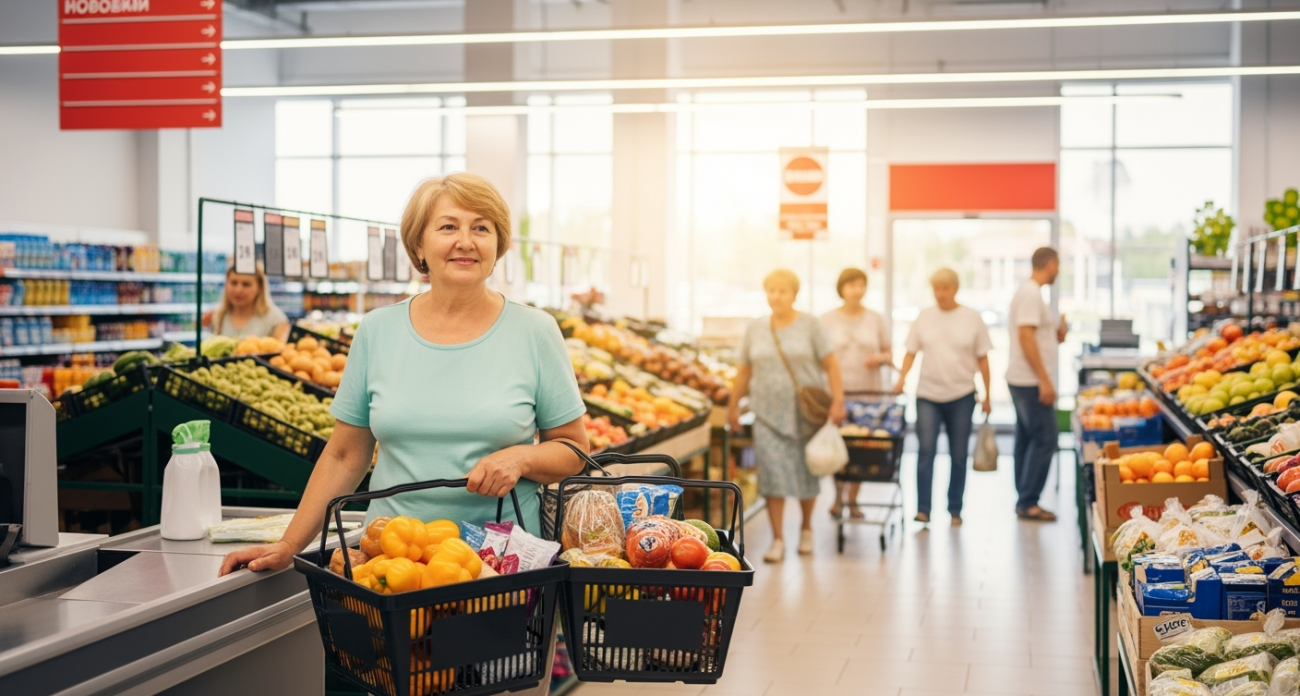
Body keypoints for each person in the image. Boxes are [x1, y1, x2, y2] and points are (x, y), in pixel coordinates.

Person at [217, 173, 589, 695]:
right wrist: (288, 544)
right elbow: (345, 455)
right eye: (448, 227)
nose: (465, 241)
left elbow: (574, 449)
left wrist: (521, 459)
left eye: (481, 228)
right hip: (395, 572)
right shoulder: (378, 332)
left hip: (498, 573)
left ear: (498, 245)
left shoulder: (534, 331)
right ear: (419, 244)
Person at [728, 269, 846, 563]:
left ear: (794, 294)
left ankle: (806, 530)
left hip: (804, 414)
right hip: (766, 414)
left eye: (782, 291)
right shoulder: (756, 328)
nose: (776, 296)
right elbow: (744, 370)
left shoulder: (811, 325)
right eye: (771, 290)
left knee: (806, 472)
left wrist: (838, 401)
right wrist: (732, 406)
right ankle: (777, 539)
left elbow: (831, 364)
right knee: (772, 476)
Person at [892, 268, 992, 526]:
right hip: (928, 395)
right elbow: (911, 352)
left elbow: (983, 359)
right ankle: (923, 509)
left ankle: (955, 509)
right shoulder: (924, 317)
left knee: (958, 455)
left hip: (962, 395)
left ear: (955, 289)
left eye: (945, 288)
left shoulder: (971, 318)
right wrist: (902, 379)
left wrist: (988, 395)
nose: (940, 294)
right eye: (936, 289)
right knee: (926, 452)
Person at [820, 267, 891, 520]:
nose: (857, 290)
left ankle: (853, 498)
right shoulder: (826, 320)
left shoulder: (876, 318)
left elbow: (888, 352)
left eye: (861, 285)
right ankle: (838, 496)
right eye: (852, 285)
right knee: (837, 445)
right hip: (836, 394)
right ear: (841, 288)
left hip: (868, 394)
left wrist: (879, 358)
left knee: (862, 446)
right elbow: (820, 357)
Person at [1007, 247, 1066, 522]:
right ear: (1050, 264)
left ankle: (1024, 495)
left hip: (1024, 379)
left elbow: (1037, 336)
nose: (1058, 271)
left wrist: (1057, 334)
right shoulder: (1031, 294)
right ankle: (1028, 501)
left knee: (1027, 438)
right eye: (1058, 265)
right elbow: (1026, 337)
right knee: (1045, 438)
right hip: (1030, 381)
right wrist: (1044, 379)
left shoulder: (1030, 293)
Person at [206, 262, 290, 342]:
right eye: (233, 283)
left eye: (246, 284)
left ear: (259, 287)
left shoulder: (276, 320)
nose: (238, 290)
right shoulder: (219, 316)